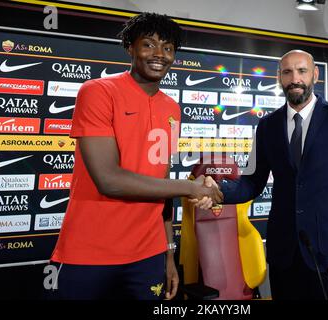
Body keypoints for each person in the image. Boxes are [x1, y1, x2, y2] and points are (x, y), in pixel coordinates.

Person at [49, 12, 222, 300]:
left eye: (168, 48)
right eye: (149, 45)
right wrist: (191, 187)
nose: (159, 55)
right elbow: (109, 179)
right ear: (131, 47)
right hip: (89, 251)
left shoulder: (172, 108)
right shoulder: (97, 92)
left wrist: (169, 255)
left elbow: (161, 184)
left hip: (149, 254)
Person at [199, 50, 328, 300]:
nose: (295, 78)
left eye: (302, 71)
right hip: (284, 255)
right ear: (279, 78)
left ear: (314, 74)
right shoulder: (268, 125)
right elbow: (252, 182)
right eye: (287, 72)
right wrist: (216, 191)